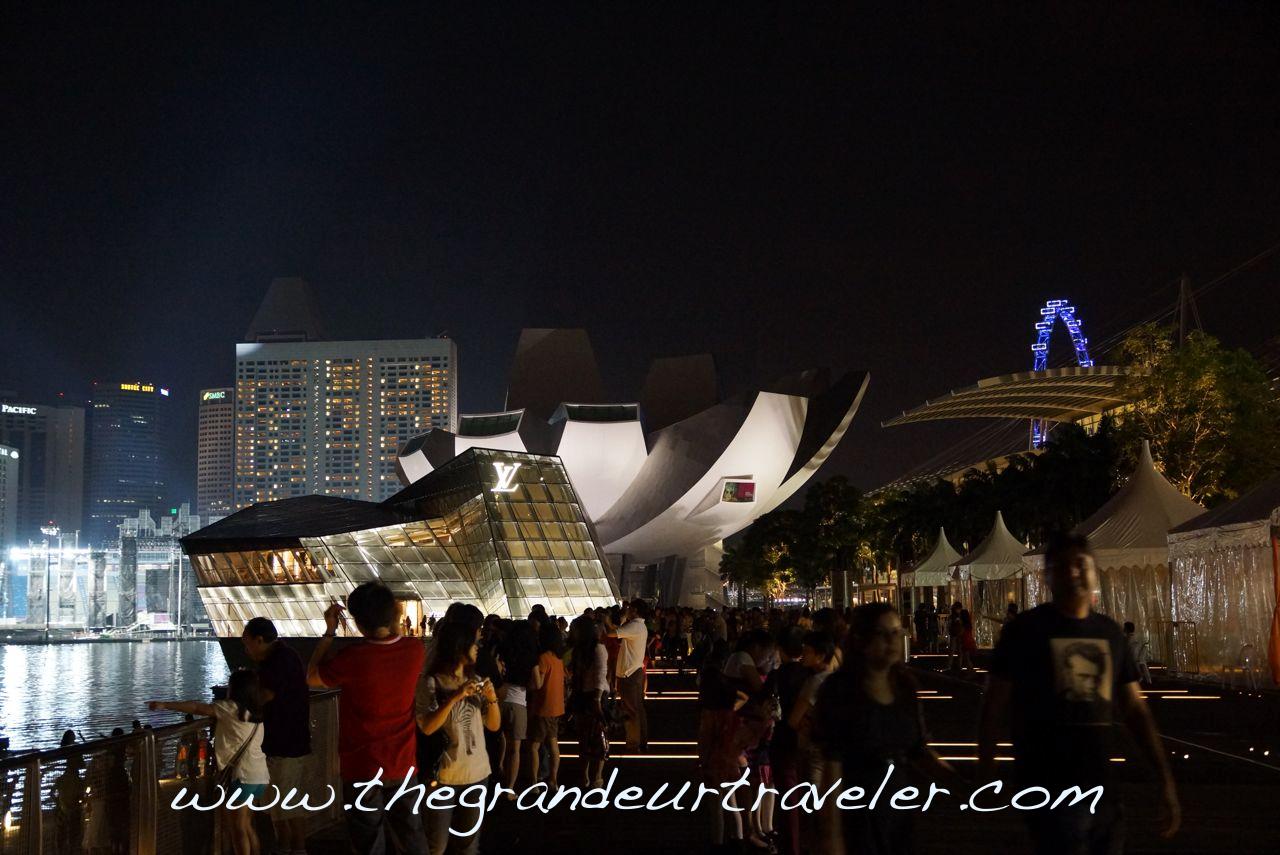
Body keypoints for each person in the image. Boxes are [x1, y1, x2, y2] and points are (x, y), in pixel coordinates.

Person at [980, 532, 1180, 855]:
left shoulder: (1110, 633)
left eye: (1080, 564)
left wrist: (1165, 779)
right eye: (1061, 567)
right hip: (1048, 787)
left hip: (1103, 787)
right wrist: (987, 771)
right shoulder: (1026, 631)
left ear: (1093, 570)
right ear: (1046, 577)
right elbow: (994, 705)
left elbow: (1135, 711)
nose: (1073, 573)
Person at [814, 603, 958, 855]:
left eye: (896, 632)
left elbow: (918, 750)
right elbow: (832, 768)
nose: (892, 641)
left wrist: (959, 784)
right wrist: (831, 836)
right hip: (857, 809)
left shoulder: (905, 687)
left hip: (899, 806)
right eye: (883, 633)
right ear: (861, 639)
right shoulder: (840, 690)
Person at [307, 584, 427, 855]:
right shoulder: (414, 650)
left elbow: (311, 676)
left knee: (368, 842)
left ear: (359, 623)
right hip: (403, 762)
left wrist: (329, 632)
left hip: (362, 765)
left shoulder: (352, 658)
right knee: (411, 837)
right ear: (394, 613)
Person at [150, 669, 268, 855]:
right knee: (246, 825)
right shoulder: (256, 714)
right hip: (259, 775)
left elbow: (197, 708)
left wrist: (165, 704)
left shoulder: (230, 709)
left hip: (241, 776)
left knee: (237, 829)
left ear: (235, 689)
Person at [416, 620, 501, 855]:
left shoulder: (478, 680)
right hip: (443, 774)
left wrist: (492, 699)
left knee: (469, 846)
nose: (477, 648)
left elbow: (494, 726)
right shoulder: (431, 682)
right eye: (474, 643)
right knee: (436, 845)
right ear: (458, 646)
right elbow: (428, 727)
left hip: (477, 773)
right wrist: (455, 697)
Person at [242, 616, 311, 855]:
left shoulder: (277, 661)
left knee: (286, 800)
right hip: (287, 740)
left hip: (285, 742)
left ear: (259, 640)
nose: (246, 649)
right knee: (281, 800)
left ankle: (296, 847)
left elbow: (266, 695)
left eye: (247, 643)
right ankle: (287, 846)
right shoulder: (285, 656)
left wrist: (237, 709)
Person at [496, 619, 540, 793]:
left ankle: (498, 769)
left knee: (499, 740)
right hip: (518, 701)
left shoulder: (503, 649)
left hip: (498, 699)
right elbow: (537, 683)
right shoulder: (531, 655)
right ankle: (510, 788)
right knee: (515, 748)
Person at [566, 614, 609, 788]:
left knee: (598, 737)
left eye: (574, 629)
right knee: (584, 737)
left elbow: (600, 675)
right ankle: (587, 776)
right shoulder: (578, 650)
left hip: (594, 696)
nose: (572, 632)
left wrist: (597, 700)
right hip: (583, 696)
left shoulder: (598, 649)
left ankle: (594, 777)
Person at [606, 600, 650, 753]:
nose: (628, 610)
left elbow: (613, 633)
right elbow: (622, 629)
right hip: (635, 671)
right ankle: (642, 740)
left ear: (636, 610)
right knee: (638, 708)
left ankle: (633, 743)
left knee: (631, 709)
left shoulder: (635, 626)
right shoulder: (639, 626)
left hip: (629, 673)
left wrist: (607, 621)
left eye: (630, 608)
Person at [528, 620, 565, 790]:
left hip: (543, 706)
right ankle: (554, 780)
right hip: (556, 707)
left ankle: (534, 782)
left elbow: (538, 684)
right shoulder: (558, 659)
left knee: (534, 746)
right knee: (553, 744)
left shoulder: (542, 658)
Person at [1124, 621, 1152, 686]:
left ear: (1127, 629)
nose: (1123, 629)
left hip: (1134, 661)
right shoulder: (1137, 638)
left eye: (1124, 628)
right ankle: (1148, 681)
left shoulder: (1128, 640)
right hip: (1138, 659)